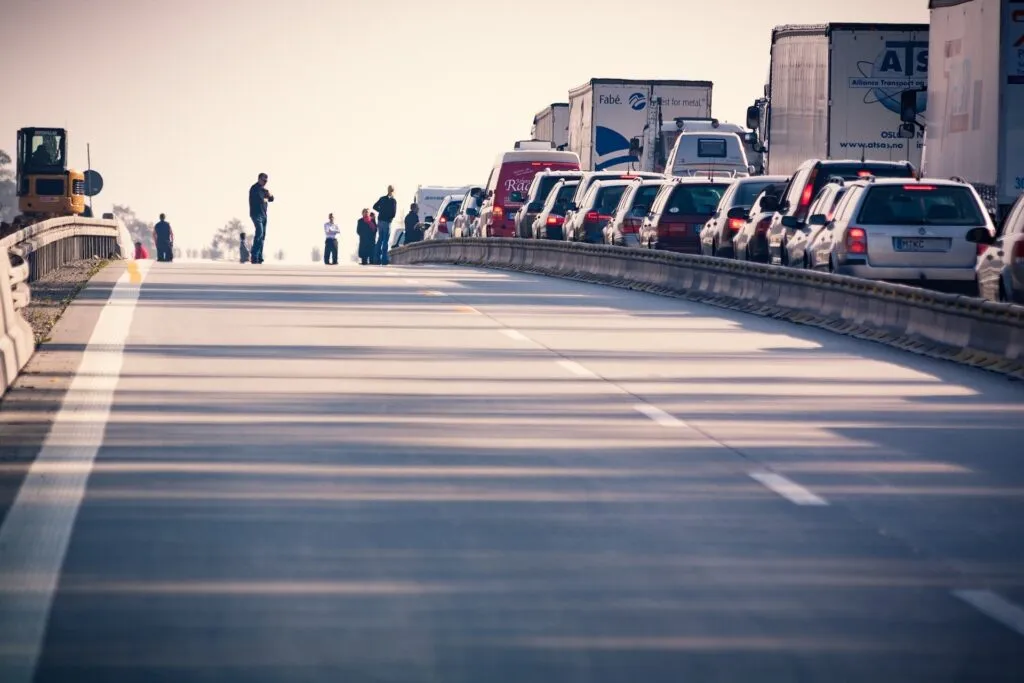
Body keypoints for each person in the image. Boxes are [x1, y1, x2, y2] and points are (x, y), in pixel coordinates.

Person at [248, 172, 274, 264]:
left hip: (264, 215)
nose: (265, 182)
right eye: (263, 180)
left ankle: (259, 256)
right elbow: (260, 199)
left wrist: (269, 195)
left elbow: (272, 199)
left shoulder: (264, 190)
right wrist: (267, 196)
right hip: (256, 214)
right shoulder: (254, 188)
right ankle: (254, 255)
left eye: (266, 181)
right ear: (259, 179)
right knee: (259, 232)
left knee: (262, 236)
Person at [372, 185, 397, 266]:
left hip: (380, 220)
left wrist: (381, 211)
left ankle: (376, 259)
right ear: (393, 191)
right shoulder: (393, 201)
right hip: (387, 222)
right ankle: (384, 259)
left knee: (380, 239)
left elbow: (374, 206)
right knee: (385, 240)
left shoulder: (382, 198)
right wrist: (389, 217)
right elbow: (393, 213)